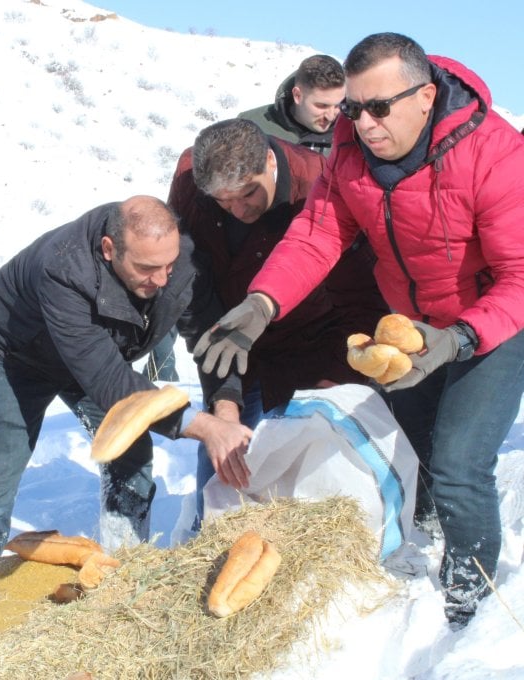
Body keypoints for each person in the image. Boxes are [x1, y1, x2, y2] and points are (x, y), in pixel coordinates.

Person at [195, 33, 524, 628]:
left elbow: (519, 276)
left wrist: (460, 339)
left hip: (492, 322)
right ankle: (418, 535)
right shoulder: (348, 150)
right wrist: (263, 303)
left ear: (425, 98)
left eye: (379, 108)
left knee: (458, 461)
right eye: (351, 107)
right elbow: (319, 233)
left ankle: (469, 597)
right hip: (409, 326)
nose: (363, 123)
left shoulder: (497, 155)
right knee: (414, 439)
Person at [0, 196, 254, 556]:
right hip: (17, 356)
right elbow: (111, 383)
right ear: (110, 249)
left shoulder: (179, 259)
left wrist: (226, 411)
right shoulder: (64, 269)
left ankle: (123, 563)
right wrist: (205, 428)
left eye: (168, 266)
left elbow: (212, 338)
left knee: (130, 450)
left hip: (93, 356)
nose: (160, 280)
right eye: (146, 268)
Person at [167, 118, 388, 530]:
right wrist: (224, 403)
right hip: (235, 344)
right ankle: (207, 545)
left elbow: (362, 300)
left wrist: (338, 387)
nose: (238, 209)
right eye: (223, 201)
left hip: (316, 346)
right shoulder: (190, 180)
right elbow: (194, 294)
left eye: (248, 193)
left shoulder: (320, 183)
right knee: (221, 466)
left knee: (308, 473)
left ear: (270, 161)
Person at [238, 54, 345, 156]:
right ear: (297, 95)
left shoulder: (351, 138)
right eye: (322, 106)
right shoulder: (248, 127)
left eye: (337, 106)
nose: (331, 116)